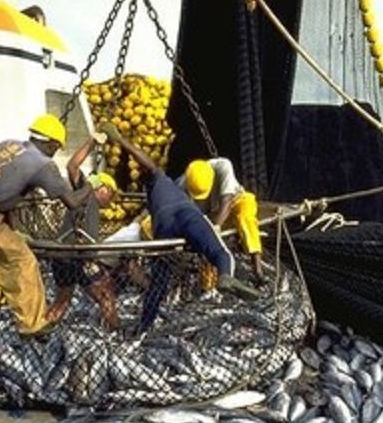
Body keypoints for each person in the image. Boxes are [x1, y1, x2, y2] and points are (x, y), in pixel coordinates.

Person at [97, 121, 262, 332]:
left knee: (159, 279)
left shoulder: (158, 188)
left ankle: (145, 323)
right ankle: (225, 276)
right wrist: (119, 139)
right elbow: (143, 159)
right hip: (188, 216)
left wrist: (119, 140)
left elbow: (139, 164)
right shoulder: (163, 177)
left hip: (162, 227)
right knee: (220, 252)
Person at [0, 113, 99, 337]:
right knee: (23, 261)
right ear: (53, 144)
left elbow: (0, 185)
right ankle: (31, 325)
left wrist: (14, 229)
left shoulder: (9, 145)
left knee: (9, 257)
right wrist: (92, 185)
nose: (55, 152)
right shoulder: (44, 166)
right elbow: (73, 202)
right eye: (57, 148)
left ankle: (27, 313)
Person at [46, 132, 122, 329]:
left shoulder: (83, 195)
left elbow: (72, 167)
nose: (110, 202)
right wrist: (92, 141)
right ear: (103, 188)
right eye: (111, 195)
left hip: (62, 256)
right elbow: (72, 165)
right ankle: (118, 337)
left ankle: (42, 331)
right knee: (106, 296)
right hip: (80, 258)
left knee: (62, 300)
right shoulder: (85, 192)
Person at [177, 158, 265, 285]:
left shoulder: (223, 166)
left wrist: (217, 227)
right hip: (209, 215)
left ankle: (257, 270)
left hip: (235, 202)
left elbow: (227, 202)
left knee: (246, 218)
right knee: (205, 243)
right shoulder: (181, 184)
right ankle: (210, 284)